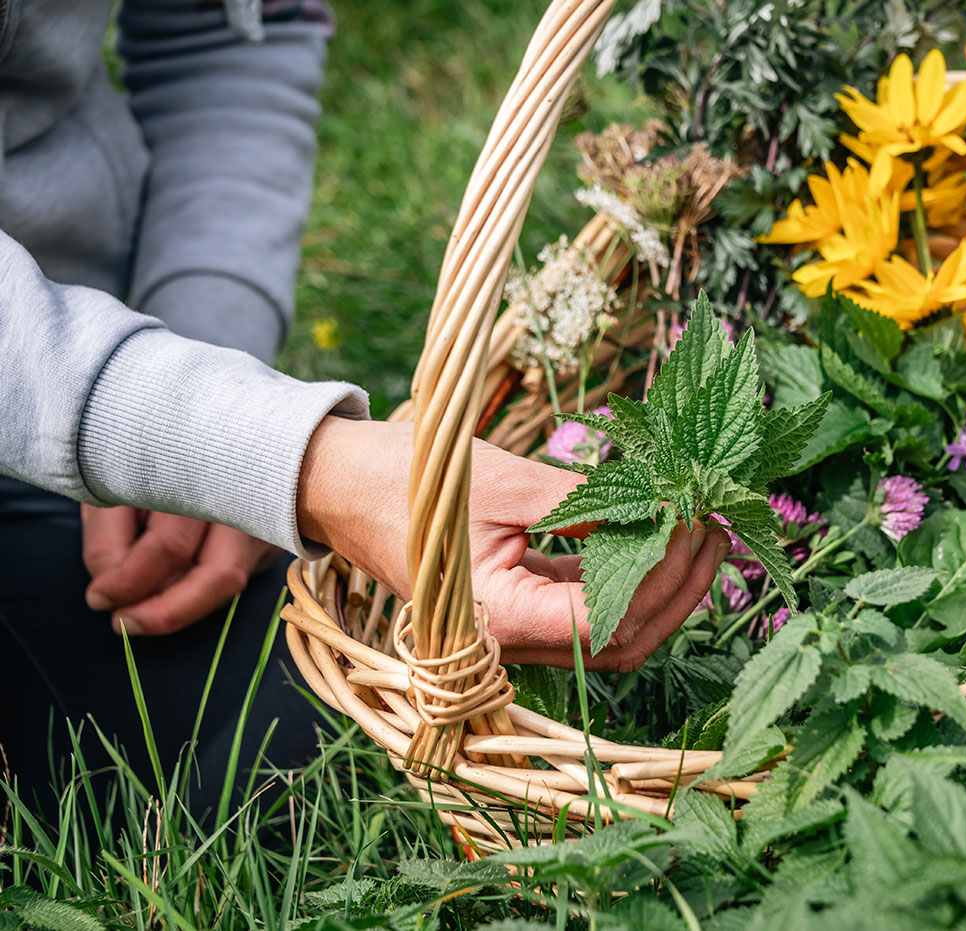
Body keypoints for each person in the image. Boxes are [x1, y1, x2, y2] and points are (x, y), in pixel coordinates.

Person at [0, 0, 729, 812]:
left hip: (89, 310)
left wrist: (193, 395)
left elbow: (228, 27)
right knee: (178, 792)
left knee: (298, 727)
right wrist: (292, 460)